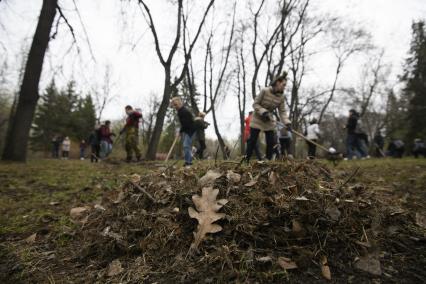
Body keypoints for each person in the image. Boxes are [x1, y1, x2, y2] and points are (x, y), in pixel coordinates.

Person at [245, 72, 291, 162]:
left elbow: (282, 112)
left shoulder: (281, 97)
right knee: (252, 141)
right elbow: (255, 104)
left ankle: (267, 161)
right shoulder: (265, 91)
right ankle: (246, 159)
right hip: (257, 117)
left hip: (268, 119)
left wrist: (287, 123)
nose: (284, 87)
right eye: (283, 84)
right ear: (277, 82)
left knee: (271, 141)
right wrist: (263, 112)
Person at [170, 96, 195, 167]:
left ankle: (188, 163)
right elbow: (183, 124)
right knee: (186, 145)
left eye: (176, 105)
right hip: (187, 130)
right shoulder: (180, 111)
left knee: (186, 145)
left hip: (191, 129)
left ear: (180, 103)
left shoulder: (184, 111)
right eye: (174, 105)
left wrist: (180, 132)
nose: (175, 106)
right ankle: (188, 160)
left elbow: (186, 123)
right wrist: (180, 132)